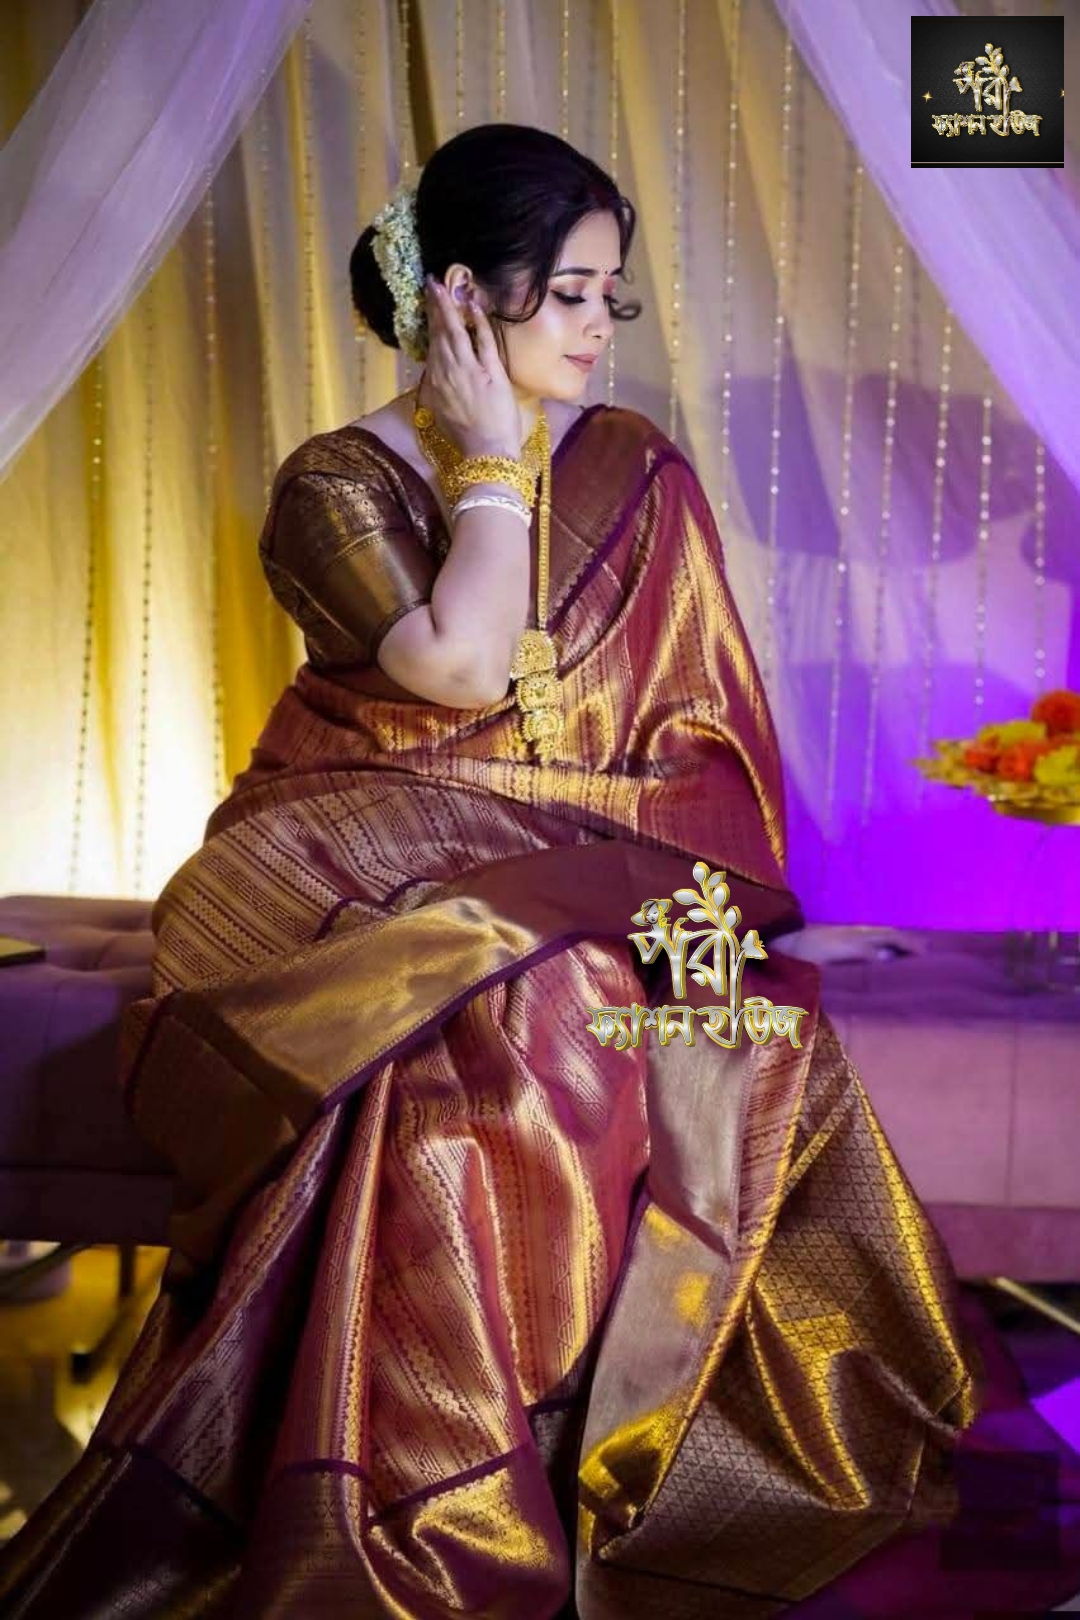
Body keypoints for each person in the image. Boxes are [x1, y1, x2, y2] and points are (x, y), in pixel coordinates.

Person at [0, 122, 983, 1618]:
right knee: (490, 1006)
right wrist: (483, 462)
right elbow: (458, 671)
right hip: (331, 849)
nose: (599, 328)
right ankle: (418, 1491)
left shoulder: (634, 473)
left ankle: (545, 1459)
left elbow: (689, 735)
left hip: (566, 855)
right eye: (570, 294)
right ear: (463, 297)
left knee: (587, 1007)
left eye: (610, 297)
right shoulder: (335, 481)